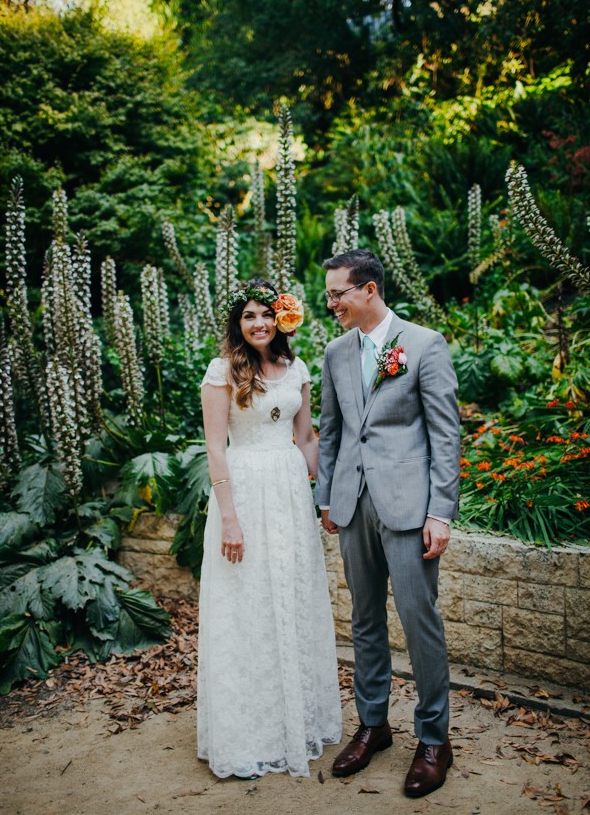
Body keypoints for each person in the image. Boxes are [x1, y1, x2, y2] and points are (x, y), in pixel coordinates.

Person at [315, 249, 460, 798]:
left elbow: (446, 435)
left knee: (419, 620)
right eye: (329, 294)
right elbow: (332, 432)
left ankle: (432, 740)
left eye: (338, 294)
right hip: (353, 505)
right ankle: (373, 726)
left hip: (408, 507)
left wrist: (439, 511)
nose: (331, 304)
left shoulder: (424, 344)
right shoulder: (333, 353)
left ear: (369, 290)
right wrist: (327, 498)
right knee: (364, 617)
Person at [197, 279, 342, 780]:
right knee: (249, 606)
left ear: (281, 319)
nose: (258, 323)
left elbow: (305, 439)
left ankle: (295, 721)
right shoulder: (222, 372)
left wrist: (326, 496)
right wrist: (230, 518)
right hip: (243, 494)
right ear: (237, 325)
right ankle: (248, 734)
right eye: (247, 316)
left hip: (288, 497)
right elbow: (217, 448)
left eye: (265, 314)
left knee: (294, 601)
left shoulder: (297, 368)